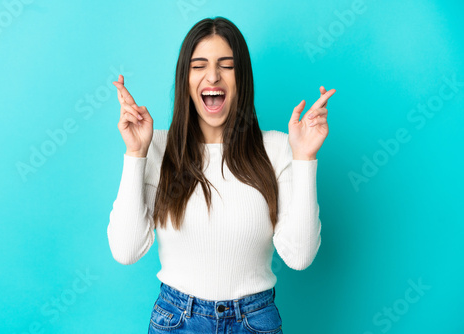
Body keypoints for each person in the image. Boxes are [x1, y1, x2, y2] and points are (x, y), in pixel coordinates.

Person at [107, 16, 336, 334]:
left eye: (226, 65)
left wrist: (305, 157)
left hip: (255, 321)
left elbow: (300, 256)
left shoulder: (278, 148)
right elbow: (126, 250)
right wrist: (135, 153)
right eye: (198, 65)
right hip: (176, 320)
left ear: (241, 77)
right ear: (184, 78)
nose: (212, 76)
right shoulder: (156, 147)